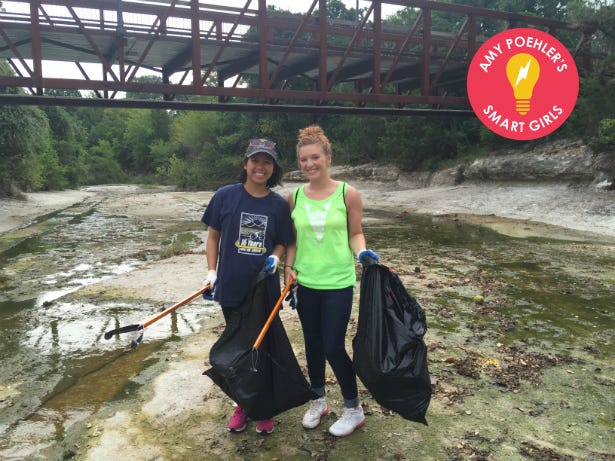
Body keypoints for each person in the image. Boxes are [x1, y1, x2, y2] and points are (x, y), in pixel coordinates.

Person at [283, 125, 380, 437]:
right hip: (306, 282)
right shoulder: (294, 196)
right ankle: (318, 400)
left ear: (327, 157)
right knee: (311, 344)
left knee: (332, 346)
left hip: (338, 282)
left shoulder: (347, 193)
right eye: (303, 160)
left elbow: (355, 233)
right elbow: (293, 240)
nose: (309, 164)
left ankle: (353, 408)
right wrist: (289, 269)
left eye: (315, 157)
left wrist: (362, 253)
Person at [201, 138, 294, 435]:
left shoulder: (278, 205)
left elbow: (283, 241)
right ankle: (243, 404)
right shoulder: (225, 196)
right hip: (230, 287)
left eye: (267, 162)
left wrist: (275, 258)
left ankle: (263, 409)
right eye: (255, 160)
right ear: (245, 164)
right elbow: (213, 236)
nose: (260, 167)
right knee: (238, 348)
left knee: (261, 347)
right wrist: (211, 273)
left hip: (263, 288)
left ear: (273, 168)